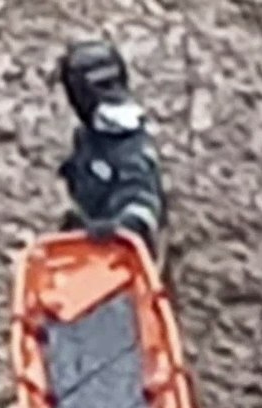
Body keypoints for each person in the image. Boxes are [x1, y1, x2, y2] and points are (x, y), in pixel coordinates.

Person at [56, 39, 167, 259]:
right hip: (93, 242)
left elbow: (142, 195)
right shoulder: (89, 134)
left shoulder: (126, 139)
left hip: (127, 255)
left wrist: (121, 226)